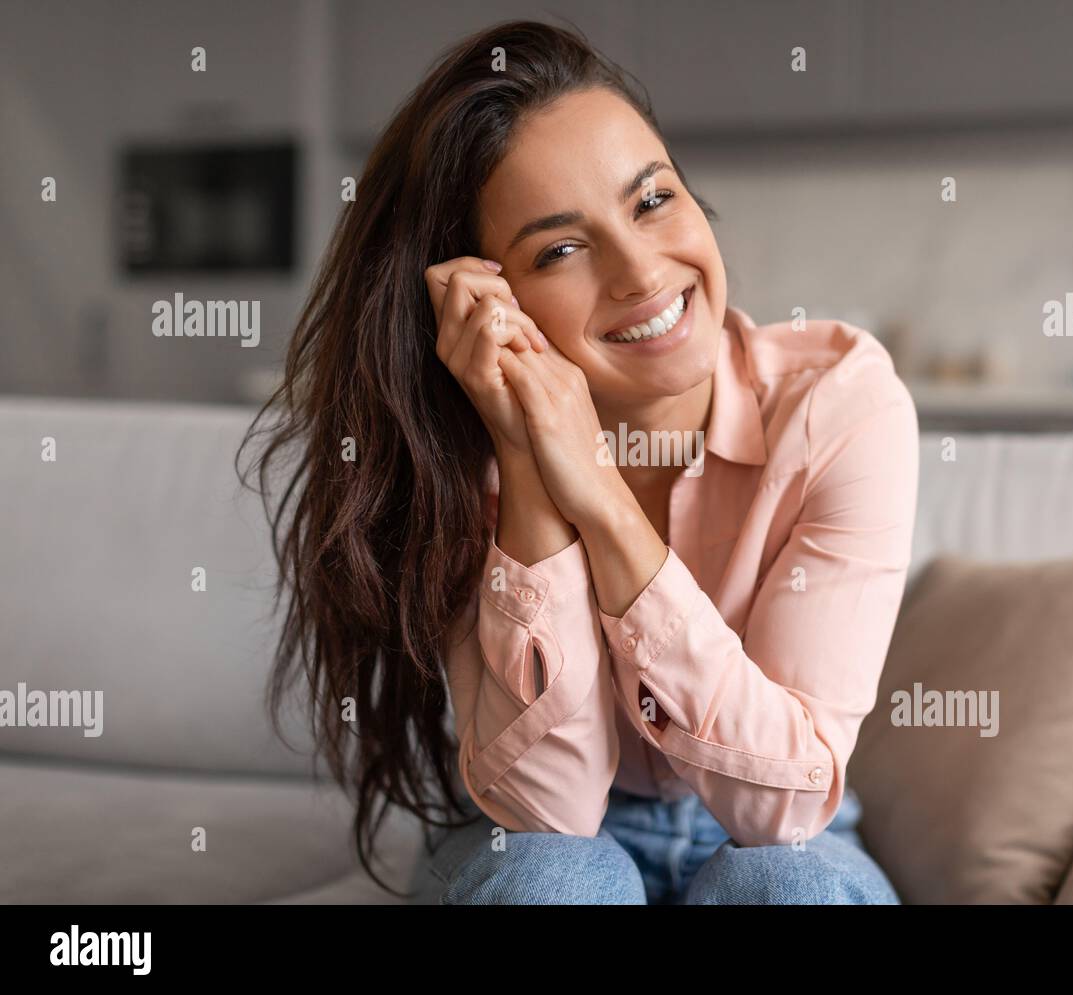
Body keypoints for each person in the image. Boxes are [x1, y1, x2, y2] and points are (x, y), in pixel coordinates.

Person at [238, 18, 918, 905]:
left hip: (769, 823)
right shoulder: (458, 450)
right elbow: (547, 807)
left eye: (652, 200)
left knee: (790, 887)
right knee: (556, 882)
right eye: (560, 249)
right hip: (543, 836)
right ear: (490, 298)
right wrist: (525, 453)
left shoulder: (838, 402)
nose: (641, 272)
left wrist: (597, 492)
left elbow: (783, 806)